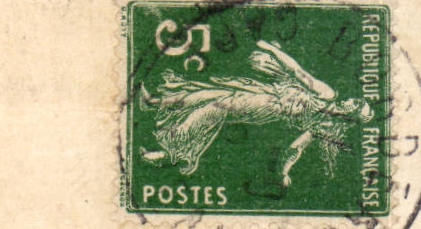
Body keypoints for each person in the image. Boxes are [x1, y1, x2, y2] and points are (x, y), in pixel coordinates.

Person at [139, 40, 371, 188]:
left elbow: (297, 72)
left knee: (215, 106)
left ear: (352, 113)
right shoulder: (325, 125)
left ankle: (169, 150)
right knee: (212, 94)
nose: (353, 99)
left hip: (268, 105)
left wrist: (272, 50)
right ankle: (155, 104)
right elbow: (295, 149)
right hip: (267, 93)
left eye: (357, 103)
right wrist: (284, 173)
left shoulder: (328, 96)